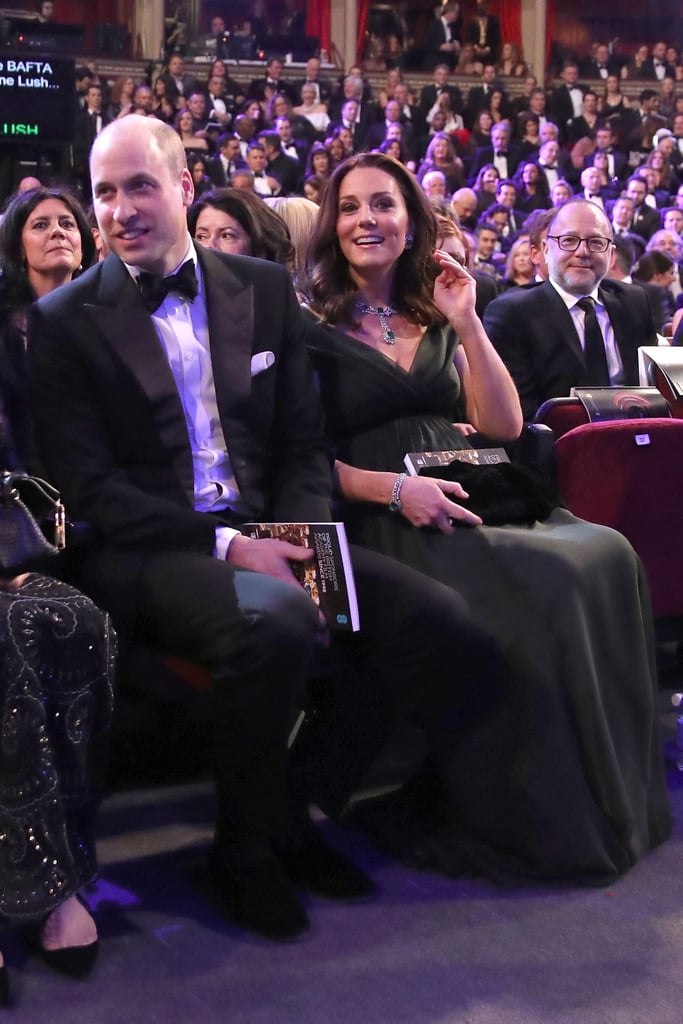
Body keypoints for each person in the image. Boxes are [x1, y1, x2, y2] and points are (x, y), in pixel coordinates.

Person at [27, 117, 513, 943]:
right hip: (152, 552)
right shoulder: (69, 318)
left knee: (439, 625)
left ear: (184, 187)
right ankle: (241, 851)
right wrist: (232, 546)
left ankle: (292, 808)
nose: (118, 210)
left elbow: (300, 444)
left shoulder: (257, 287)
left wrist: (301, 541)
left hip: (269, 529)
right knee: (278, 618)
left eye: (140, 186)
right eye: (104, 192)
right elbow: (87, 489)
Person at [300, 152, 671, 885]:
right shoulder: (305, 320)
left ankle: (611, 802)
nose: (365, 220)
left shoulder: (434, 310)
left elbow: (500, 425)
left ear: (411, 222)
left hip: (467, 489)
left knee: (607, 553)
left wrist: (466, 321)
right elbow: (297, 455)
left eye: (382, 204)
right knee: (556, 576)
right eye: (348, 207)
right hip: (380, 508)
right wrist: (391, 491)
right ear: (329, 224)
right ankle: (532, 813)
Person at [0, 186, 114, 999]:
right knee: (17, 627)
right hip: (12, 535)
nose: (56, 233)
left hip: (77, 537)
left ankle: (59, 871)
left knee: (66, 620)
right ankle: (40, 881)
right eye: (38, 224)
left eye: (68, 222)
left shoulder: (105, 330)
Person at [483, 198, 659, 419]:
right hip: (555, 446)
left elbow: (654, 394)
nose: (582, 251)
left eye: (596, 242)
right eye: (569, 240)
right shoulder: (512, 313)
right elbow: (520, 415)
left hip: (634, 440)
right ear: (546, 249)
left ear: (610, 254)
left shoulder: (634, 302)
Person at [188, 186, 293, 263]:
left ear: (256, 245)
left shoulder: (280, 292)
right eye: (201, 236)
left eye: (226, 235)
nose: (209, 246)